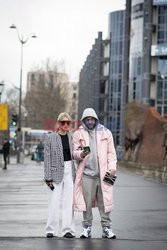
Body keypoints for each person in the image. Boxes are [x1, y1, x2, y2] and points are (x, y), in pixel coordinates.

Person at [72, 108, 117, 239]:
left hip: (103, 174)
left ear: (96, 119)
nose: (90, 121)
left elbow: (111, 153)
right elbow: (74, 153)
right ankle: (87, 228)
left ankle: (106, 228)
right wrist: (81, 154)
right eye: (87, 119)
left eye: (92, 119)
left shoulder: (106, 133)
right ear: (84, 120)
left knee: (104, 202)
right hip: (87, 175)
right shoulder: (78, 134)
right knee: (86, 203)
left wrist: (112, 168)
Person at [44, 112, 75, 238]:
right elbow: (47, 158)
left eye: (68, 122)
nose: (66, 125)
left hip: (69, 170)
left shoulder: (72, 137)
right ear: (58, 123)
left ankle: (67, 230)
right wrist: (47, 177)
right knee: (54, 201)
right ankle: (51, 230)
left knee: (69, 202)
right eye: (63, 122)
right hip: (55, 170)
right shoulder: (50, 137)